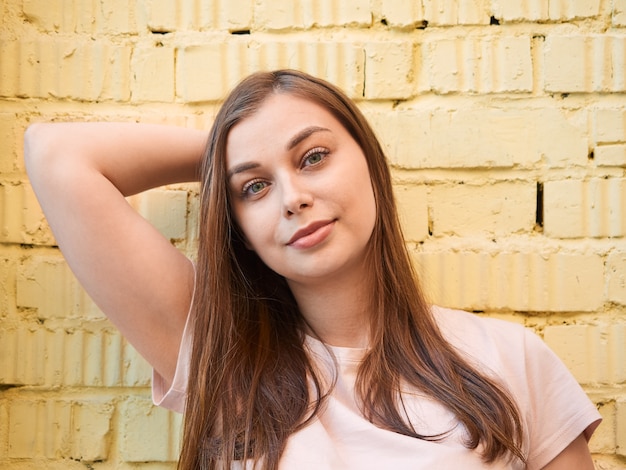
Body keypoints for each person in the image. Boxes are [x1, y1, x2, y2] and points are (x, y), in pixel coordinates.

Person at [24, 69, 601, 470]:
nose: (292, 198)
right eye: (254, 188)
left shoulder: (509, 358)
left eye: (314, 157)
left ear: (371, 165)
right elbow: (56, 155)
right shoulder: (223, 360)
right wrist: (227, 148)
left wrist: (254, 155)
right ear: (241, 233)